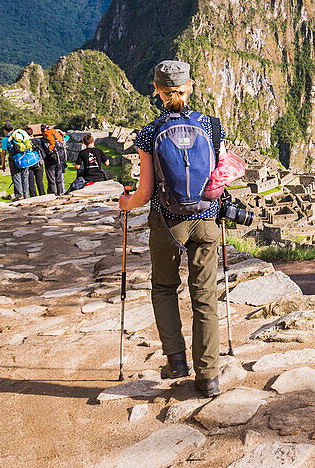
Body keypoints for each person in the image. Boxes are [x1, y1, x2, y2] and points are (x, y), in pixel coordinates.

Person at [119, 60, 225, 398]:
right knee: (205, 297)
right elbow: (218, 180)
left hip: (168, 223)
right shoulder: (211, 126)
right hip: (206, 220)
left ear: (156, 90)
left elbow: (145, 193)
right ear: (190, 86)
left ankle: (177, 361)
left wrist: (126, 204)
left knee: (164, 287)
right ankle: (208, 378)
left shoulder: (150, 133)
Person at [0, 123, 31, 201]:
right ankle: (26, 195)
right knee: (25, 177)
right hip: (23, 158)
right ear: (13, 128)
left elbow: (3, 153)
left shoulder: (5, 139)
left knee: (16, 177)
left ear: (5, 130)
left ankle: (19, 195)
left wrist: (3, 164)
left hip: (13, 159)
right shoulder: (19, 136)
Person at [42, 124, 69, 195]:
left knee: (51, 180)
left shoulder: (44, 137)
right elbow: (66, 138)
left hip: (50, 161)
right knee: (59, 179)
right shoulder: (56, 135)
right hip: (59, 159)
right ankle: (60, 192)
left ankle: (53, 194)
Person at [27, 129, 47, 197]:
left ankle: (33, 196)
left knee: (31, 182)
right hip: (39, 163)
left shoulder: (26, 143)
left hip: (29, 165)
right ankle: (42, 195)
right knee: (40, 181)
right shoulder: (38, 141)